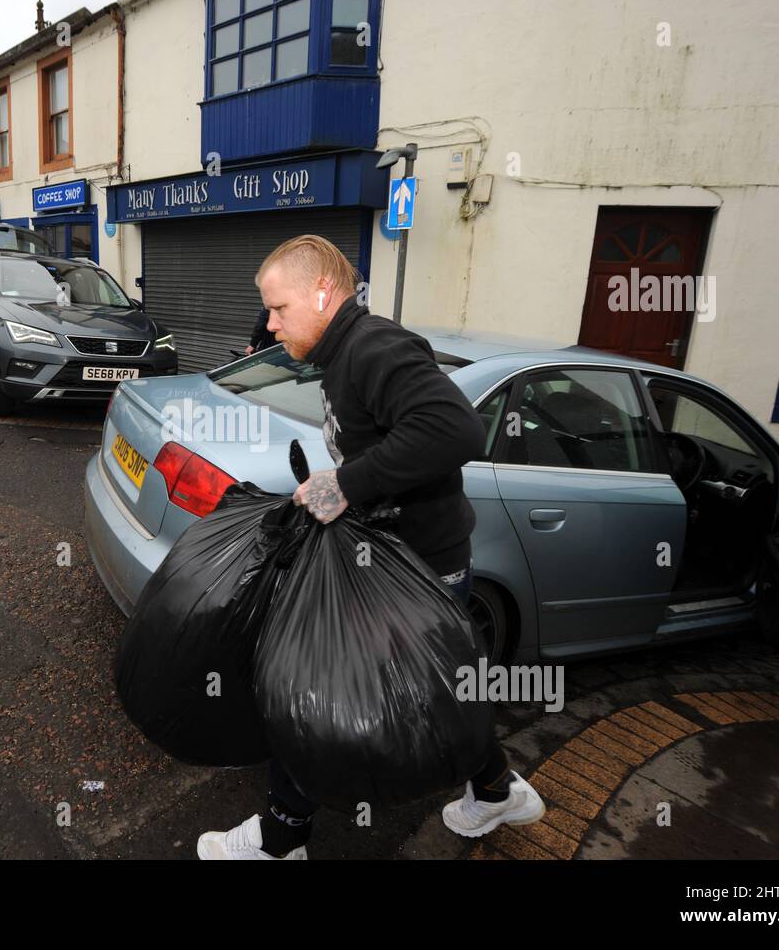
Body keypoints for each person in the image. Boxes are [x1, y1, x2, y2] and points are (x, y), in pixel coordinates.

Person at [197, 234, 545, 860]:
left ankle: (280, 841)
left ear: (323, 294)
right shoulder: (339, 355)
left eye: (278, 308)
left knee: (310, 685)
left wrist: (346, 485)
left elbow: (455, 428)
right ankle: (494, 788)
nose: (270, 324)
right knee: (435, 691)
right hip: (404, 563)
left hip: (414, 572)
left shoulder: (373, 346)